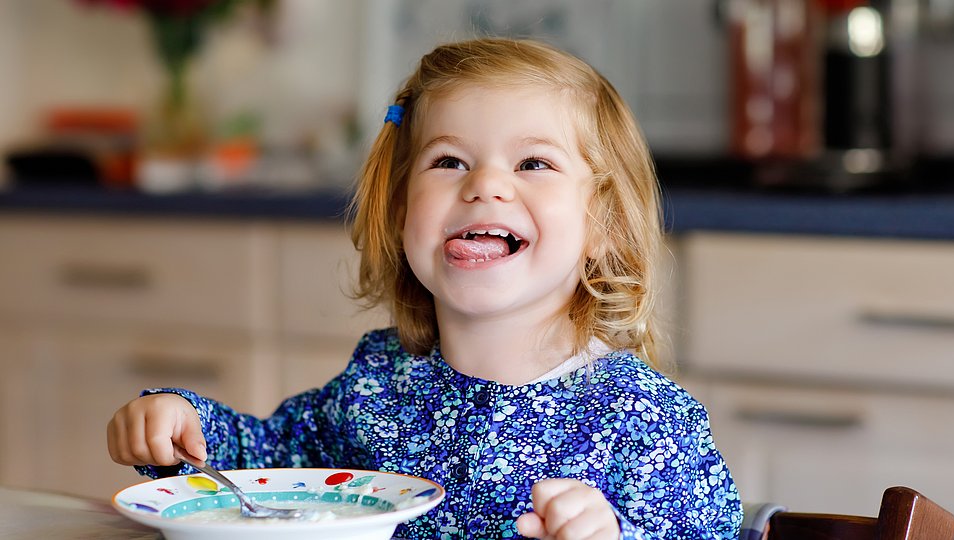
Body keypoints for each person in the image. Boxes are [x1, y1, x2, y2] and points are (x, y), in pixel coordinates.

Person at [107, 37, 742, 539]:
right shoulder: (377, 381)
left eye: (533, 163)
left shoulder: (643, 416)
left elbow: (709, 528)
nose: (485, 185)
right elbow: (274, 461)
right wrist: (183, 426)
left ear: (602, 224)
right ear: (400, 210)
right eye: (448, 161)